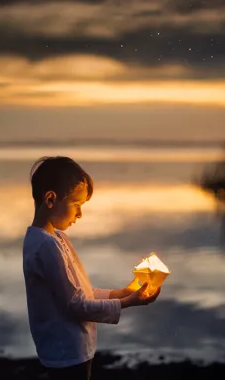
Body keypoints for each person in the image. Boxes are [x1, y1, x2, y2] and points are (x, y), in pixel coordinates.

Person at [22, 156, 161, 380]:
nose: (80, 214)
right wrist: (128, 302)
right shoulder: (46, 246)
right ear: (50, 199)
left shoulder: (54, 239)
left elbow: (78, 292)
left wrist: (122, 293)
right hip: (65, 351)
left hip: (67, 349)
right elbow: (76, 306)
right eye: (76, 205)